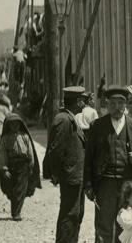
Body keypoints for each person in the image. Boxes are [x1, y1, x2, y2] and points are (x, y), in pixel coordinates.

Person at [84, 85, 132, 243]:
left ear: (126, 104)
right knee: (104, 225)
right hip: (105, 183)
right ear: (107, 105)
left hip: (128, 183)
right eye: (113, 103)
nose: (117, 107)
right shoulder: (97, 126)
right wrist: (88, 185)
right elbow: (89, 158)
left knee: (127, 222)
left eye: (120, 103)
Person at [44, 85, 86, 242]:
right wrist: (56, 173)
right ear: (77, 101)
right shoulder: (63, 120)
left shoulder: (69, 118)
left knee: (75, 214)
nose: (84, 103)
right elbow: (55, 150)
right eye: (82, 100)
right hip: (70, 176)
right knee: (69, 215)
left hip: (75, 175)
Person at [0, 112, 41, 221]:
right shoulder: (5, 139)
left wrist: (31, 165)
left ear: (20, 125)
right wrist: (4, 169)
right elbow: (2, 154)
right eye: (12, 125)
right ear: (8, 126)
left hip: (23, 165)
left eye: (16, 124)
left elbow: (30, 151)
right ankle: (15, 211)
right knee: (13, 189)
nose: (14, 127)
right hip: (12, 165)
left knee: (20, 189)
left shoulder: (24, 136)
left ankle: (16, 213)